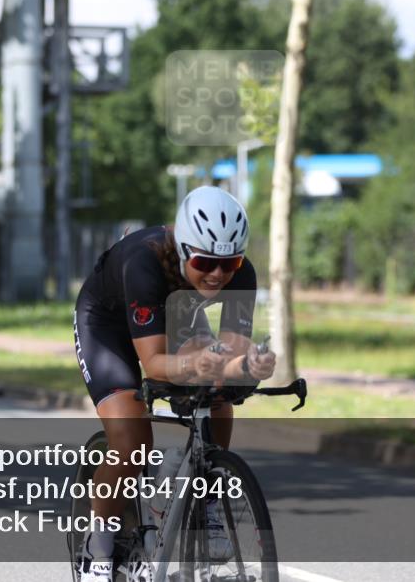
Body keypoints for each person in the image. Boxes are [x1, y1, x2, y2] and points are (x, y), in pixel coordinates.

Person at [73, 186, 276, 581]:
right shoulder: (144, 264)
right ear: (183, 250)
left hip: (172, 316)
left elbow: (232, 352)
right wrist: (198, 361)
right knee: (132, 444)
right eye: (204, 262)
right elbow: (154, 365)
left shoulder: (241, 274)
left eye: (229, 262)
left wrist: (249, 364)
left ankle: (208, 498)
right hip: (107, 324)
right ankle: (97, 545)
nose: (217, 274)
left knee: (218, 393)